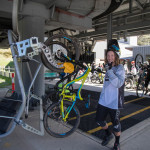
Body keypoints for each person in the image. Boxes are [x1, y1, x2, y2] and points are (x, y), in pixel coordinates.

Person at [96, 39, 125, 150]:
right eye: (108, 55)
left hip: (114, 102)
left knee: (116, 125)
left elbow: (117, 83)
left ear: (116, 56)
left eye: (112, 55)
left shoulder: (120, 68)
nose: (109, 57)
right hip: (104, 100)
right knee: (99, 120)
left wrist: (109, 71)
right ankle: (108, 134)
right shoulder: (108, 67)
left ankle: (117, 143)